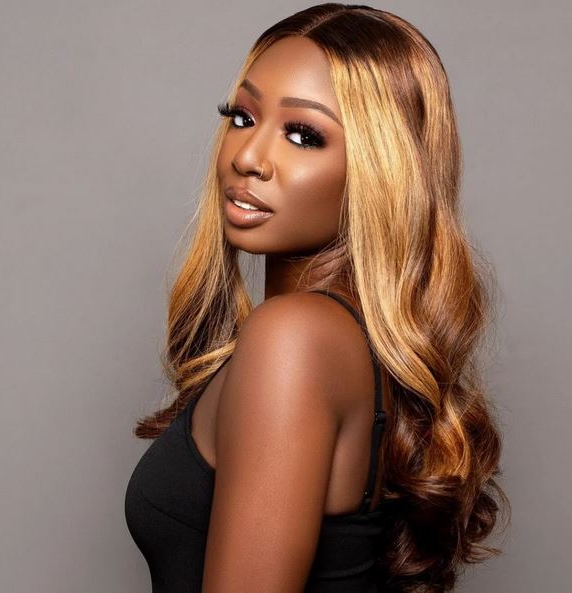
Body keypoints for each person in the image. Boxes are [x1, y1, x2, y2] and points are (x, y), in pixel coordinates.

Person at [124, 4, 510, 593]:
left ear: (382, 171)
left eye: (303, 135)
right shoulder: (344, 339)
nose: (247, 157)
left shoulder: (294, 338)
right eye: (243, 117)